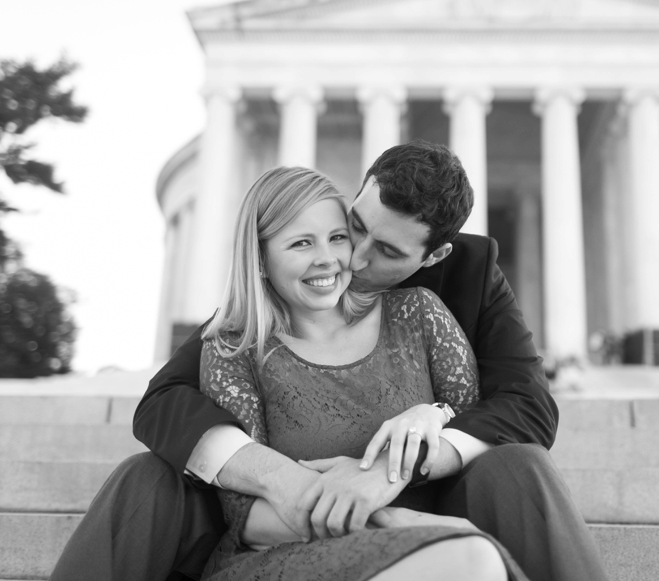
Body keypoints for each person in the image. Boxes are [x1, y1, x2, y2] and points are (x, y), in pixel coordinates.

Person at [49, 140, 608, 581]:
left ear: (434, 255)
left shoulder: (444, 292)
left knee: (521, 464)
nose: (351, 260)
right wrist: (283, 479)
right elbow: (165, 402)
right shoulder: (253, 325)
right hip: (293, 526)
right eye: (354, 228)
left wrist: (410, 450)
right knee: (146, 474)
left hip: (439, 503)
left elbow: (527, 407)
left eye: (386, 251)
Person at [195, 165, 524, 580]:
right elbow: (242, 511)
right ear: (260, 259)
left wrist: (433, 412)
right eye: (300, 243)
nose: (327, 258)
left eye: (336, 237)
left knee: (470, 557)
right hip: (284, 557)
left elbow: (476, 424)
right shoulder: (233, 349)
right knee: (470, 558)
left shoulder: (418, 314)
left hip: (426, 555)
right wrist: (410, 526)